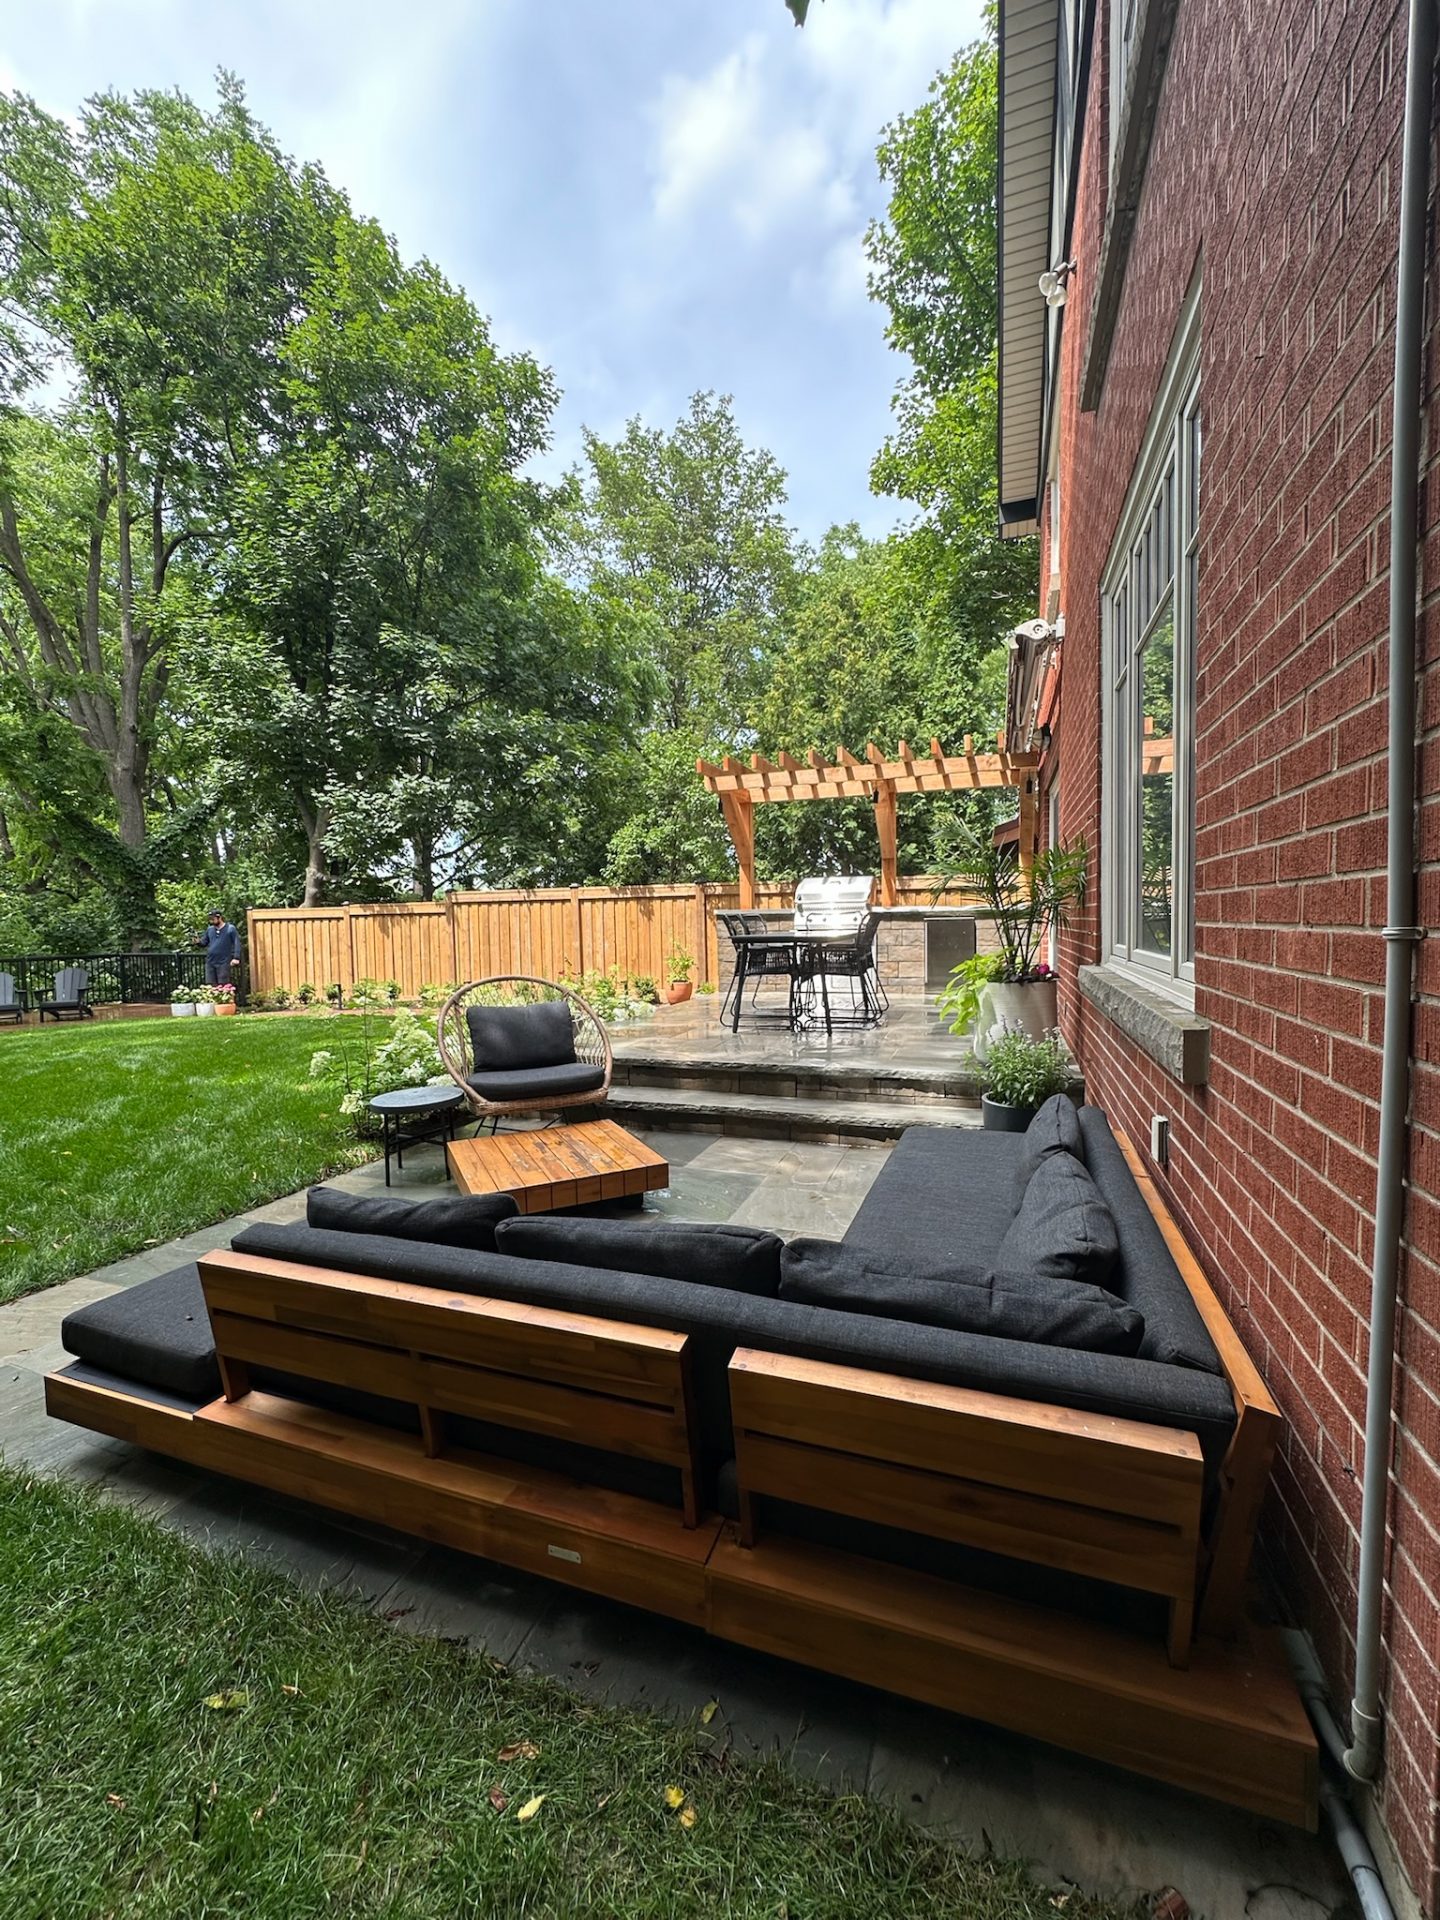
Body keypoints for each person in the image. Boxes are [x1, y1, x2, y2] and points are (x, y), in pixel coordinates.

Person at [199, 911, 241, 988]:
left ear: (219, 918)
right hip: (210, 962)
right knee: (211, 986)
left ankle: (224, 1000)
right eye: (210, 919)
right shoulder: (210, 929)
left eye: (213, 919)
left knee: (223, 986)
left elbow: (236, 943)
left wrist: (236, 957)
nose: (211, 921)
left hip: (223, 962)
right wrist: (198, 942)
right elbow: (204, 943)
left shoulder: (230, 929)